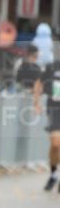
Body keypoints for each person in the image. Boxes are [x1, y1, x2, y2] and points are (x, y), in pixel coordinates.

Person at [33, 54, 60, 192]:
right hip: (55, 109)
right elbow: (39, 82)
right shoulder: (52, 66)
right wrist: (36, 102)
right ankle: (54, 173)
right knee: (55, 144)